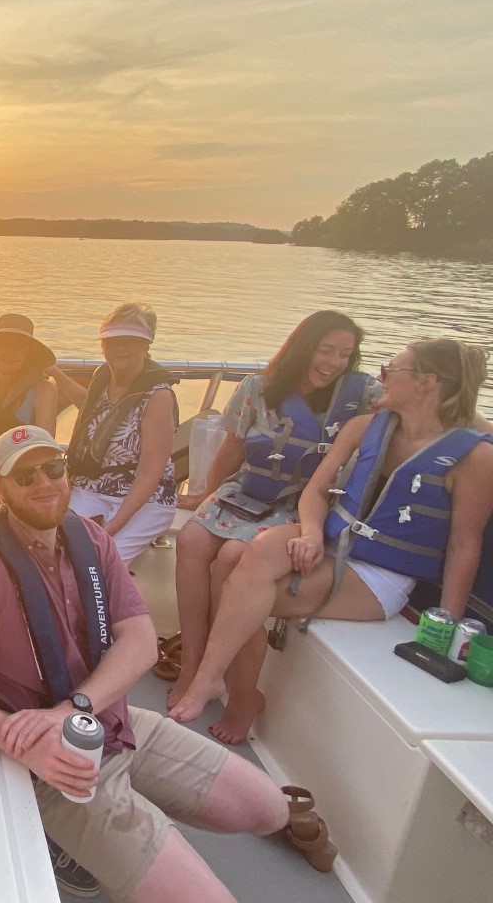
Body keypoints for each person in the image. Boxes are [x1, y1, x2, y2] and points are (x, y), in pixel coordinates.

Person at [0, 425, 292, 903]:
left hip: (112, 720)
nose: (44, 482)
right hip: (48, 756)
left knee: (269, 810)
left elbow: (139, 640)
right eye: (24, 475)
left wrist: (75, 706)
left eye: (53, 468)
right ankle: (66, 832)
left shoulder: (90, 539)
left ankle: (125, 822)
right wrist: (22, 742)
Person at [171, 339, 493, 733]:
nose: (381, 377)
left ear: (427, 382)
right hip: (328, 546)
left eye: (391, 371)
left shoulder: (475, 458)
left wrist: (446, 627)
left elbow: (465, 545)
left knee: (238, 585)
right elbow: (317, 492)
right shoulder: (364, 427)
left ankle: (228, 690)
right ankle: (220, 683)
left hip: (379, 574)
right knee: (243, 557)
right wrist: (308, 533)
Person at [168, 311, 378, 743]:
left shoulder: (364, 396)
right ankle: (193, 664)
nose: (334, 361)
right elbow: (233, 447)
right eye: (325, 350)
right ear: (303, 347)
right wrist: (206, 492)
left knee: (232, 556)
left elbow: (420, 406)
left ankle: (239, 689)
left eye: (345, 353)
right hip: (247, 491)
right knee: (190, 538)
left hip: (302, 504)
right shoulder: (256, 389)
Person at [57, 302, 179, 564]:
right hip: (92, 488)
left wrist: (112, 527)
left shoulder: (157, 395)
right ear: (103, 346)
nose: (120, 348)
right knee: (57, 548)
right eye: (113, 341)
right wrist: (52, 371)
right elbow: (92, 409)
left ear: (146, 346)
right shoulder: (102, 380)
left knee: (105, 558)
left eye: (131, 341)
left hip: (145, 497)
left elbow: (150, 471)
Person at [0, 313, 58, 484]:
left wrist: (13, 487)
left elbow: (45, 449)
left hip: (26, 478)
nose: (10, 353)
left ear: (28, 353)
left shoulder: (44, 390)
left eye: (19, 346)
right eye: (4, 345)